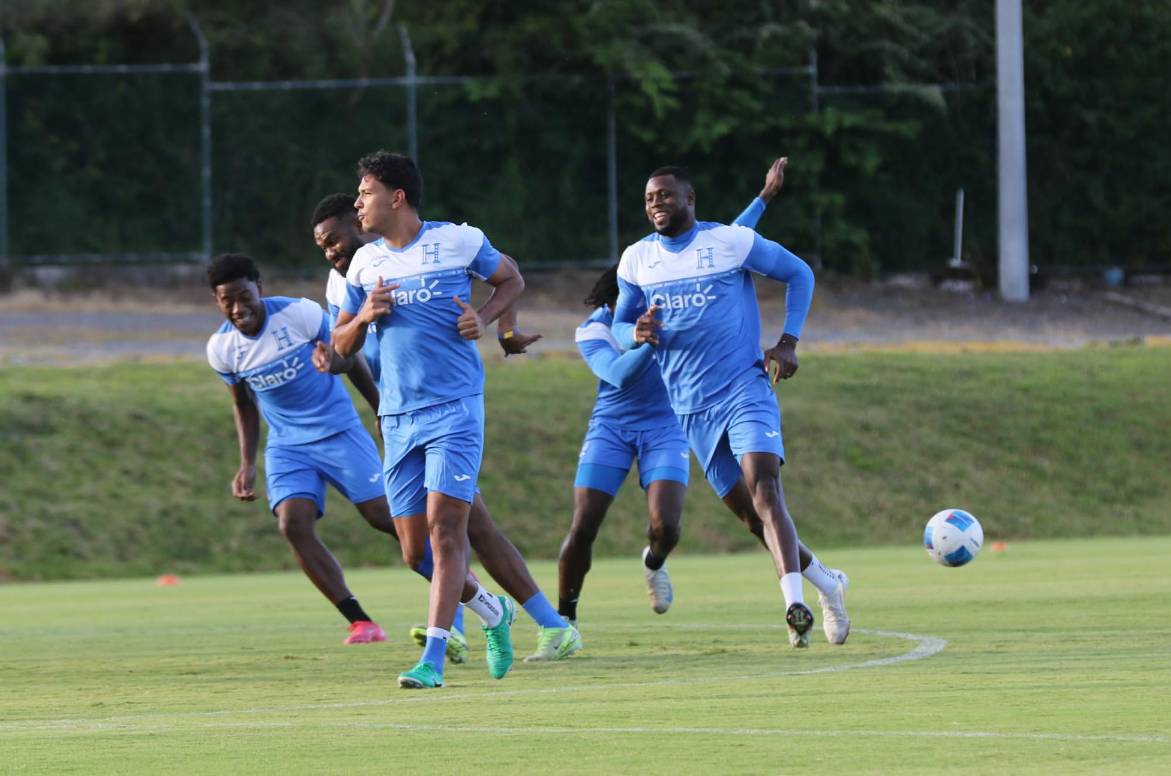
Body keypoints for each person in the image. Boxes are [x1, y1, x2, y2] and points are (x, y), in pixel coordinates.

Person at [332, 151, 580, 689]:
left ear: (396, 197)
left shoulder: (458, 241)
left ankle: (433, 661)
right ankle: (495, 612)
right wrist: (366, 318)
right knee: (413, 549)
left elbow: (510, 278)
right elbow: (337, 344)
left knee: (448, 532)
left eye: (366, 191)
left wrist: (484, 318)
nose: (358, 202)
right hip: (397, 417)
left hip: (456, 408)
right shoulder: (363, 265)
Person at [611, 162, 851, 648]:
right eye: (649, 197)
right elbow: (618, 328)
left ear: (690, 198)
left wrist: (788, 342)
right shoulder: (636, 260)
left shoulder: (728, 242)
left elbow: (799, 273)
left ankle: (793, 607)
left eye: (665, 195)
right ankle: (828, 584)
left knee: (764, 486)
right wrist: (635, 334)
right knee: (751, 517)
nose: (656, 203)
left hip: (746, 386)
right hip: (690, 408)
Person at [558, 158, 791, 628]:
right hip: (612, 426)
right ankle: (562, 623)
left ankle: (655, 562)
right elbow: (620, 376)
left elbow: (718, 245)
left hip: (666, 424)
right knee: (584, 523)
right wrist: (652, 339)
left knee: (665, 527)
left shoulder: (680, 272)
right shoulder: (594, 331)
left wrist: (763, 198)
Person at [204, 253, 396, 646]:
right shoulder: (222, 348)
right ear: (217, 301)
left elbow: (350, 356)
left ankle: (460, 582)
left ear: (259, 287)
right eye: (228, 301)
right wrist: (246, 464)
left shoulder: (298, 314)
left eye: (244, 296)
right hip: (288, 446)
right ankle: (361, 622)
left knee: (382, 516)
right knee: (292, 525)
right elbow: (243, 404)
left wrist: (380, 410)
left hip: (339, 431)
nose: (238, 308)